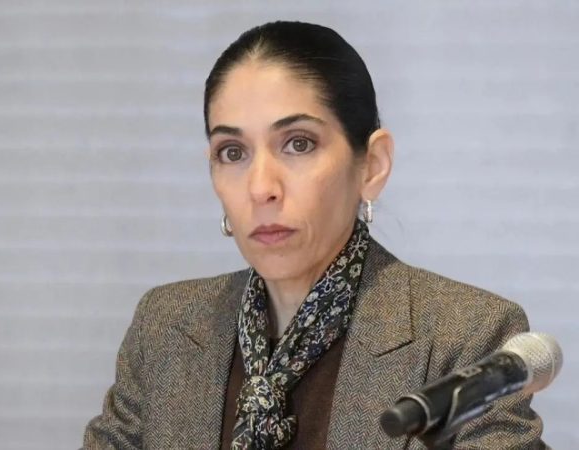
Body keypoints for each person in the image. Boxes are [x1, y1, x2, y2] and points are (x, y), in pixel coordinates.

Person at [82, 21, 548, 449]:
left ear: (372, 165)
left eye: (298, 144)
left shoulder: (466, 339)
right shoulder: (164, 328)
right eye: (233, 152)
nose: (261, 188)